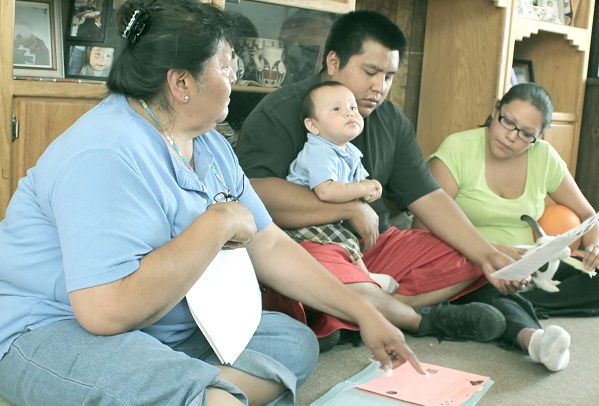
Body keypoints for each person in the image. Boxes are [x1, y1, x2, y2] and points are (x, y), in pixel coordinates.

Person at [0, 2, 427, 405]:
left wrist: (361, 310)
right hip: (53, 327)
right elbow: (104, 312)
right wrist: (218, 222)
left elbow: (271, 246)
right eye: (225, 65)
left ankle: (186, 385)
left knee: (293, 341)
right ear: (181, 82)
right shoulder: (106, 152)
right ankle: (199, 391)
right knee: (214, 397)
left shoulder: (206, 142)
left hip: (161, 323)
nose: (235, 72)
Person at [236, 9, 525, 349]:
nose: (380, 87)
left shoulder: (390, 119)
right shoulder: (281, 110)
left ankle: (356, 312)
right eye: (370, 72)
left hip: (370, 247)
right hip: (306, 249)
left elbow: (428, 196)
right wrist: (350, 209)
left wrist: (486, 254)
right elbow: (255, 195)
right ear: (333, 61)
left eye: (388, 76)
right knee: (312, 280)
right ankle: (413, 317)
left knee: (465, 253)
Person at [416, 82, 599, 371]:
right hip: (470, 264)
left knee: (592, 275)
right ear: (496, 109)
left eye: (526, 134)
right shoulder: (458, 148)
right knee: (491, 289)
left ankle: (509, 299)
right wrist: (490, 252)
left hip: (531, 264)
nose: (511, 137)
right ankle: (533, 339)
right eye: (507, 122)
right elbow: (421, 228)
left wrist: (594, 246)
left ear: (538, 138)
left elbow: (588, 214)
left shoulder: (544, 156)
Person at [285, 80, 397, 293]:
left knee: (346, 238)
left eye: (353, 107)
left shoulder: (349, 151)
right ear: (313, 126)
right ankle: (367, 276)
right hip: (302, 221)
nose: (349, 113)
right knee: (344, 240)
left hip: (327, 218)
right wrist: (364, 189)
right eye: (337, 109)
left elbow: (358, 183)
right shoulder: (319, 151)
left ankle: (362, 277)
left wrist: (370, 190)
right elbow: (327, 190)